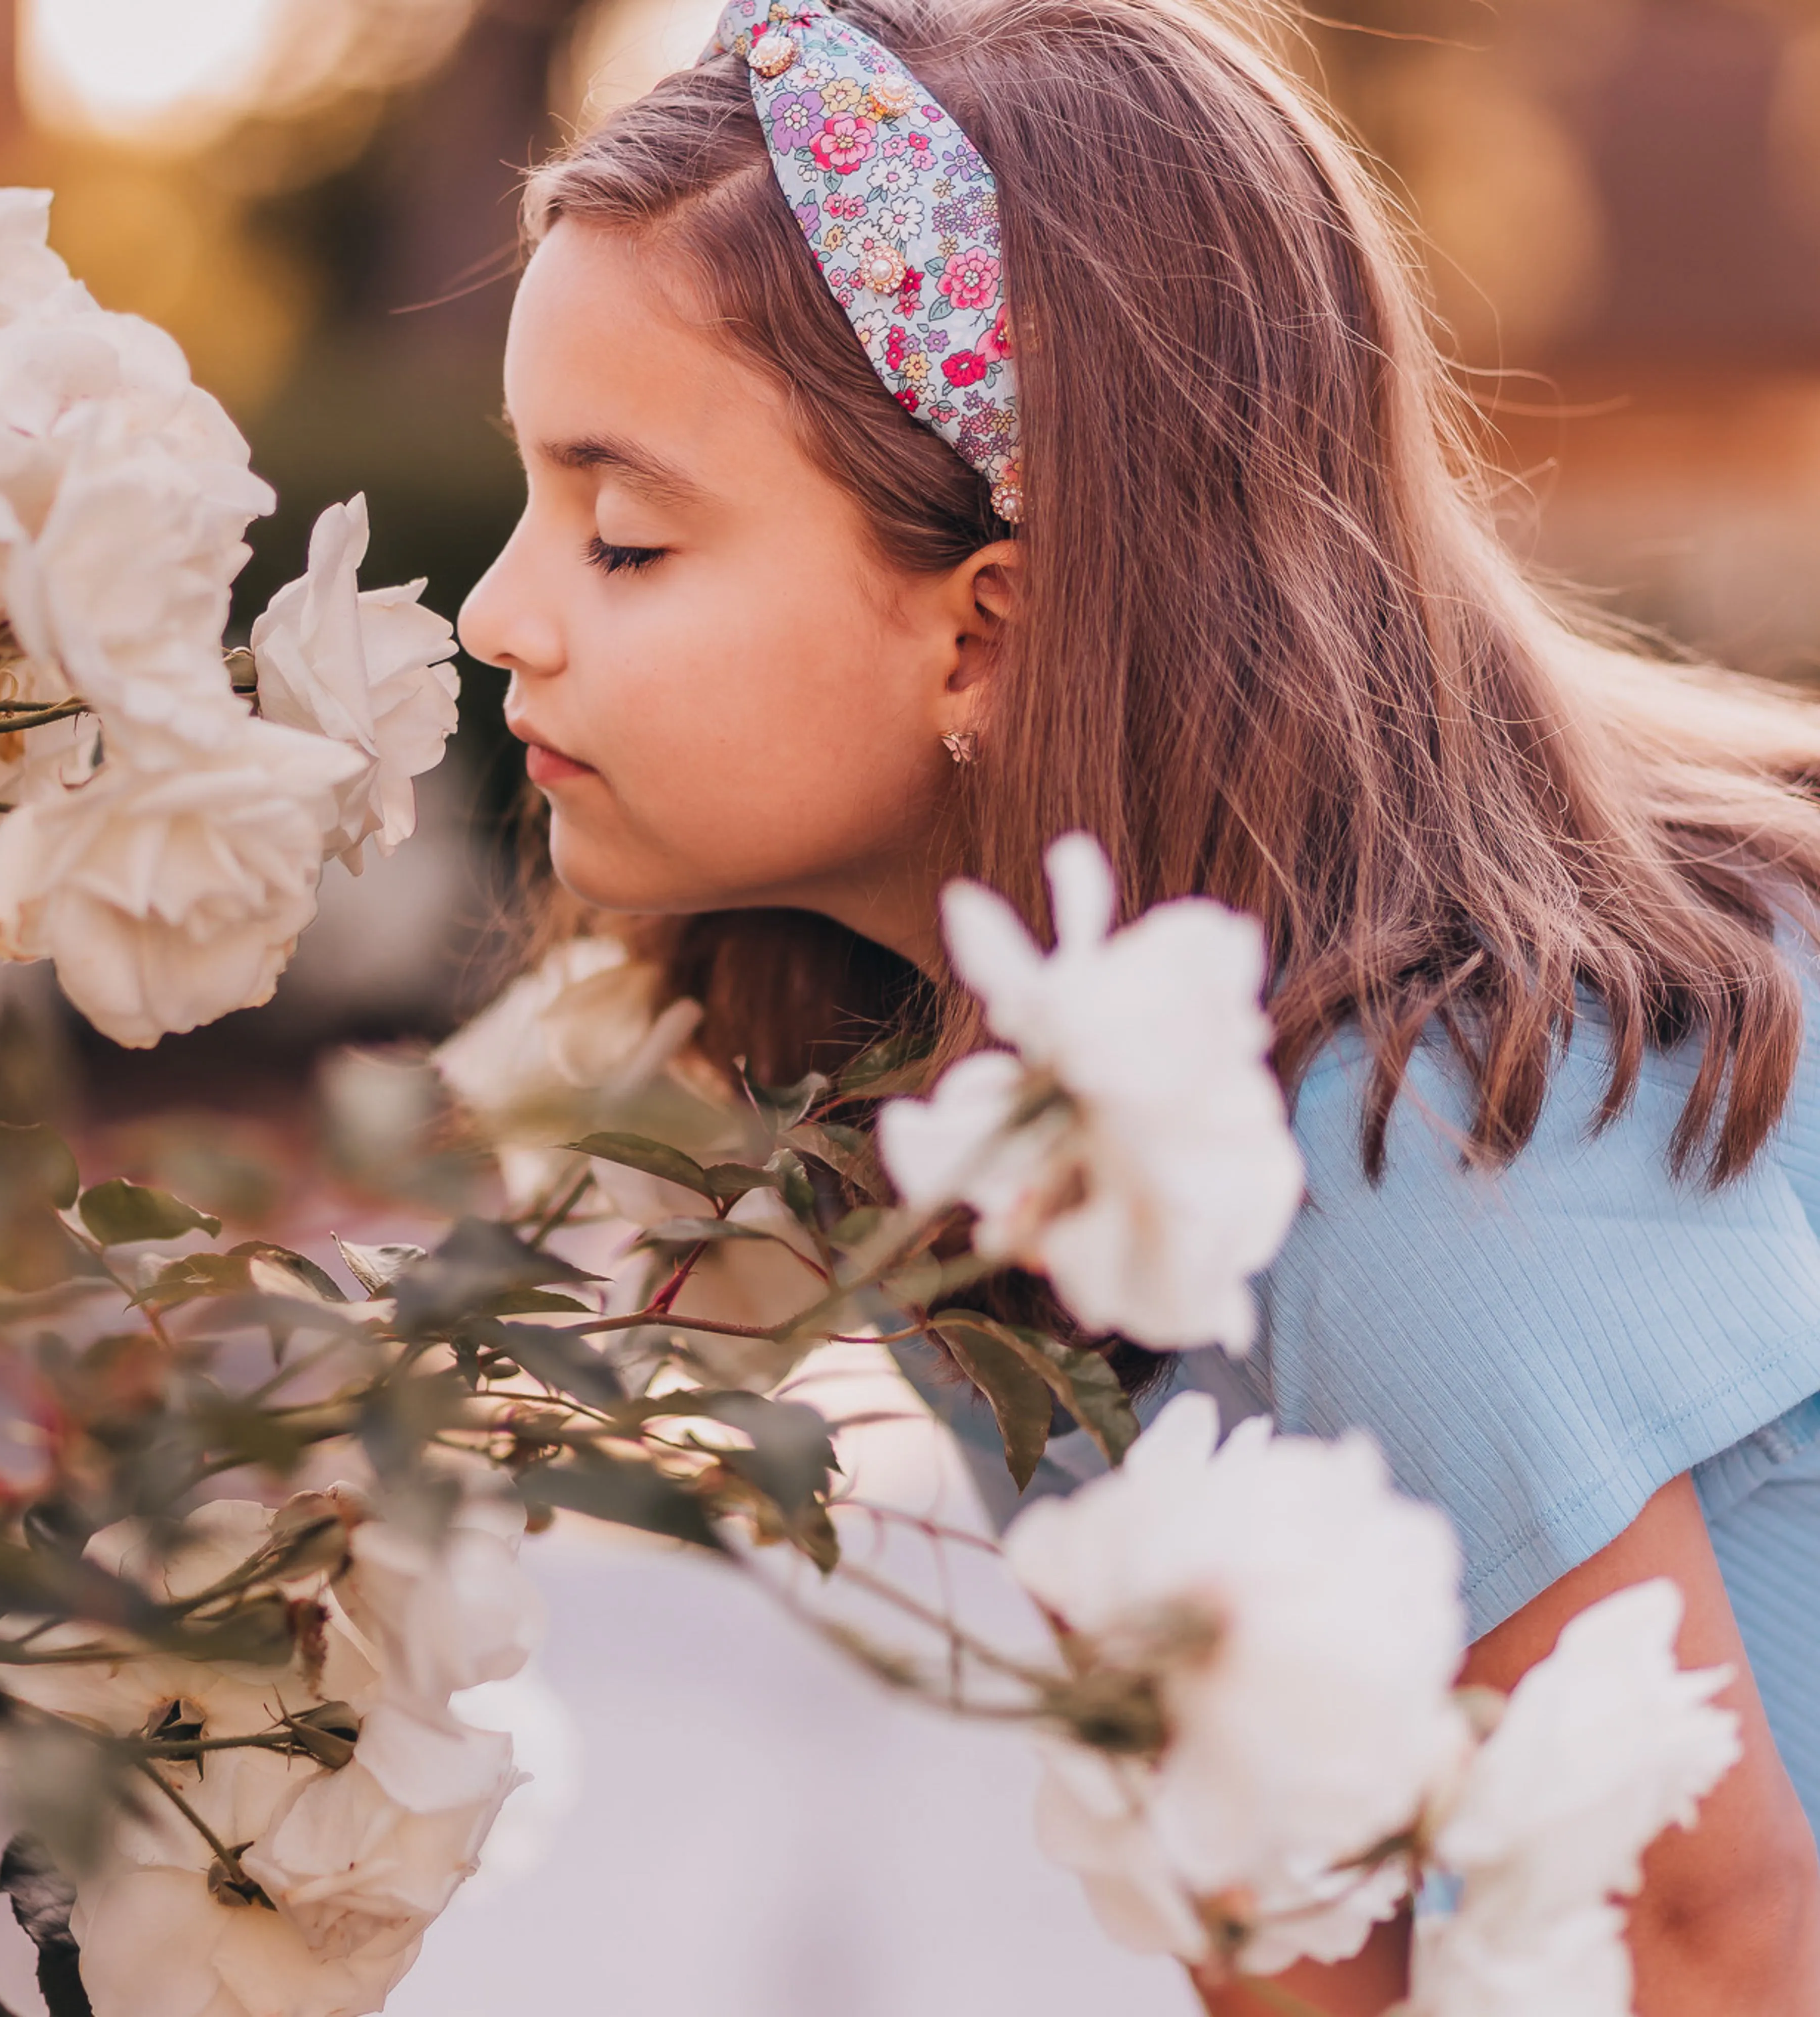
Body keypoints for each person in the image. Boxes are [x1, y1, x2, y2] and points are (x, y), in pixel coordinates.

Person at [453, 0, 1820, 2005]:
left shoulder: (1415, 1124)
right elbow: (1290, 1910)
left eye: (624, 533)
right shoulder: (990, 1121)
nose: (500, 607)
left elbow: (1699, 1925)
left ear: (988, 629)